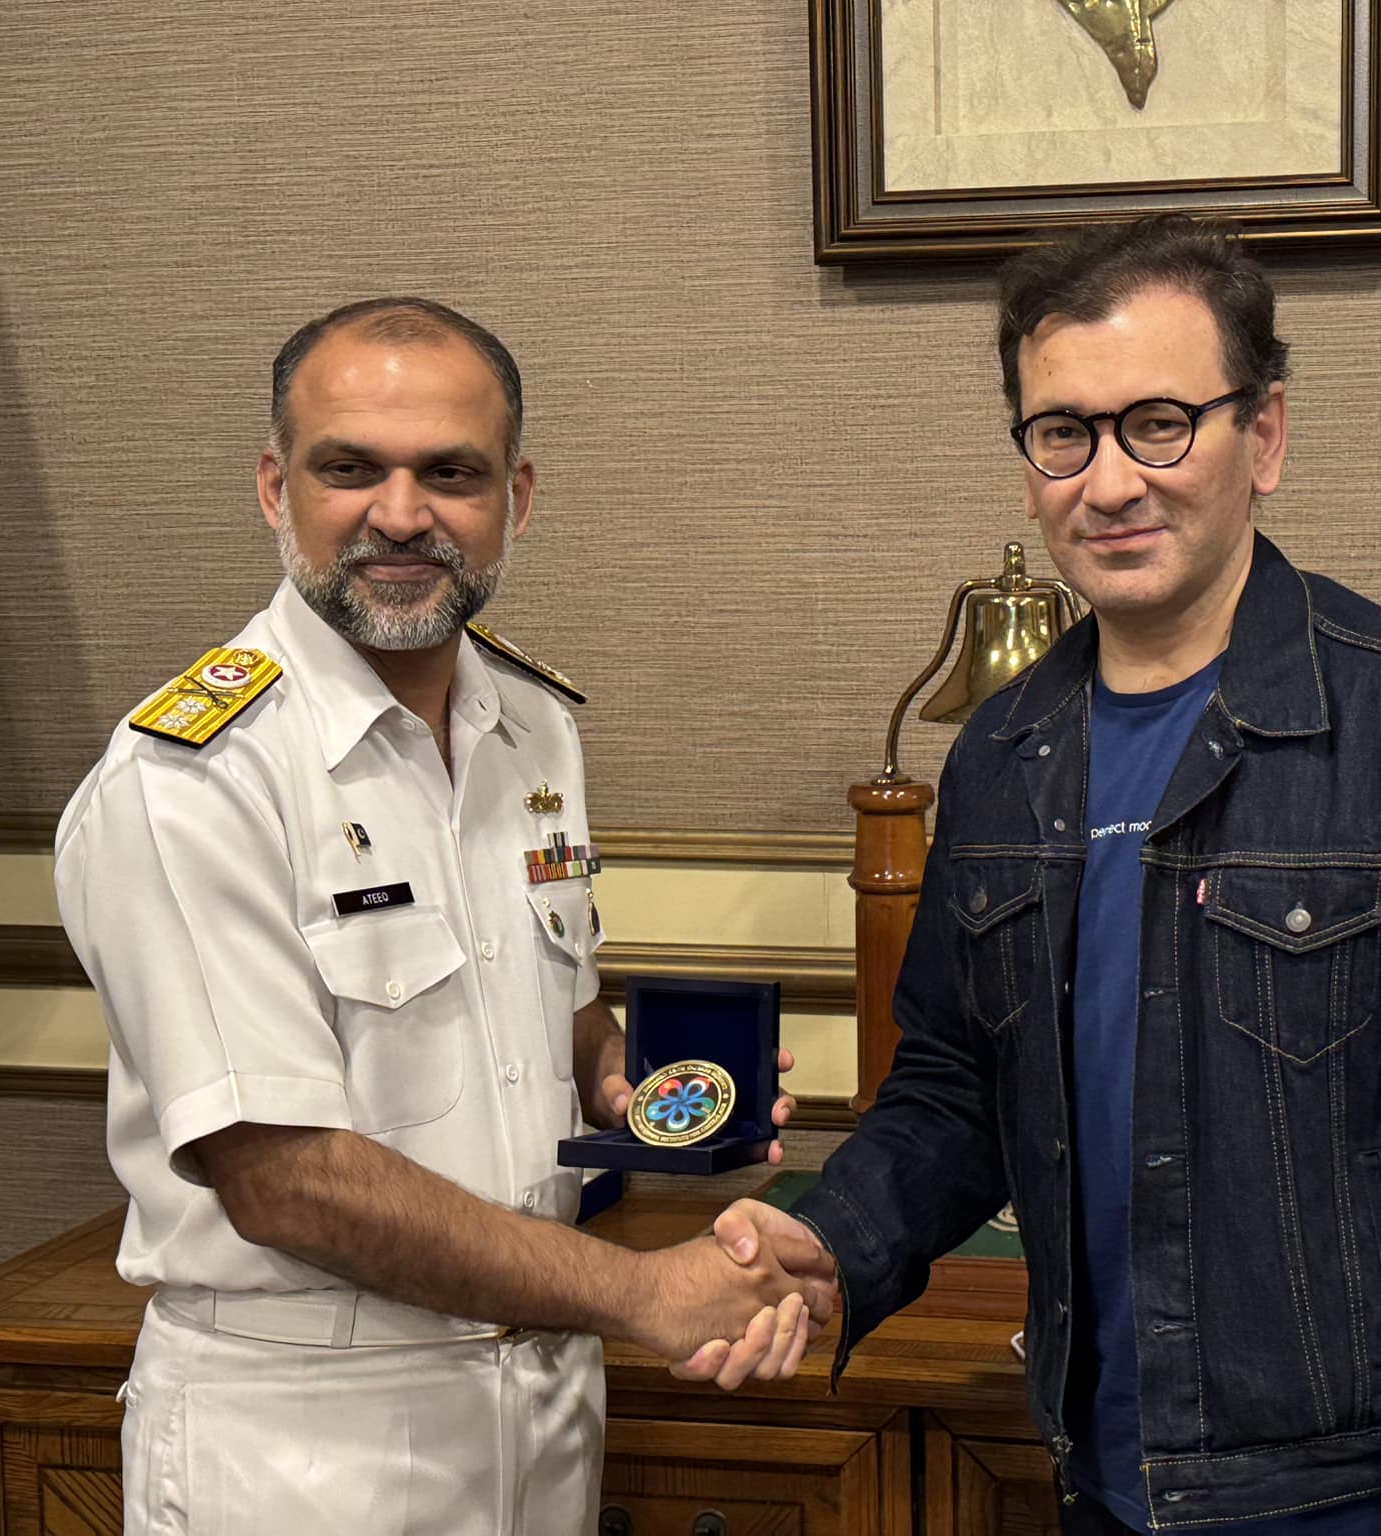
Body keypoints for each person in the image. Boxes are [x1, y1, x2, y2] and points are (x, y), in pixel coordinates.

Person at [741, 216, 1381, 1534]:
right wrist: (832, 1243)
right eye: (1063, 433)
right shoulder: (1002, 753)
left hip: (1354, 1497)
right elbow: (955, 1090)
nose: (1108, 483)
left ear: (1263, 437)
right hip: (1101, 1479)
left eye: (1159, 425)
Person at [55, 298, 834, 1535]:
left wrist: (635, 1089)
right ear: (274, 488)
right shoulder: (191, 780)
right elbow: (287, 1182)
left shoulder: (533, 728)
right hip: (309, 1445)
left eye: (450, 473)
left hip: (543, 1413)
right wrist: (645, 1292)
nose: (402, 513)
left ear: (515, 498)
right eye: (349, 468)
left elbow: (549, 1017)